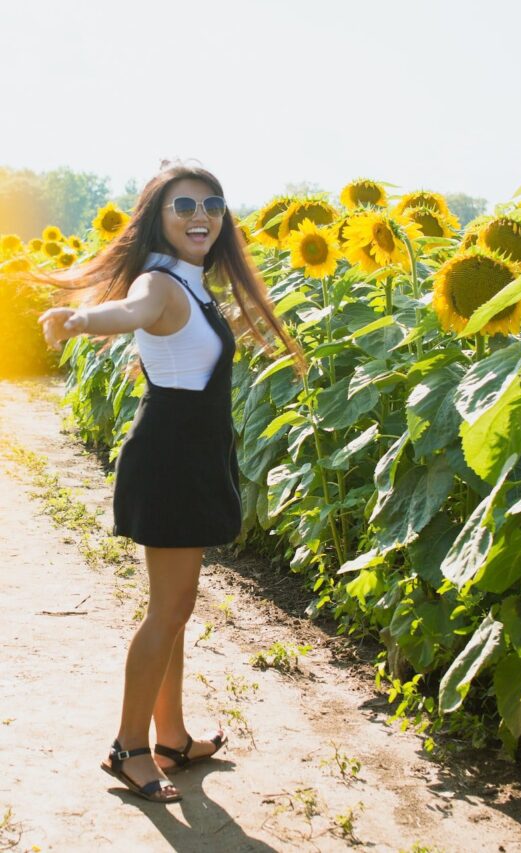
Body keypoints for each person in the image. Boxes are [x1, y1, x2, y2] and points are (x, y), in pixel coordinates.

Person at [37, 162, 305, 804]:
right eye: (184, 204)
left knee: (177, 610)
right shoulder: (160, 282)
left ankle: (173, 738)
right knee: (168, 611)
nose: (201, 215)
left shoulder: (195, 285)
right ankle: (129, 748)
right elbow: (130, 311)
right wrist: (78, 321)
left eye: (211, 204)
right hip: (171, 461)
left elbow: (186, 342)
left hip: (189, 454)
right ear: (158, 216)